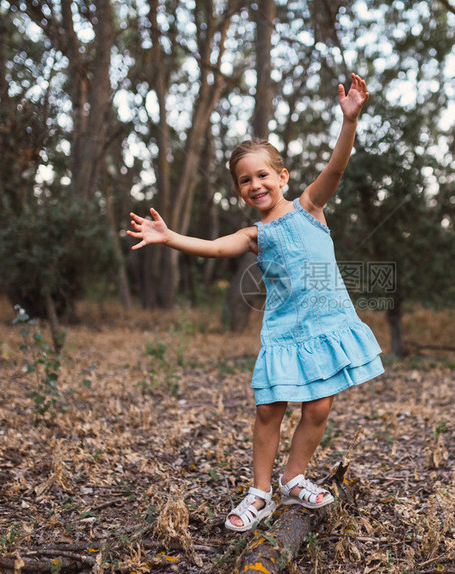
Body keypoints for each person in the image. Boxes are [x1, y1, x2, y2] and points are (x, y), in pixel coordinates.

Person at [127, 73, 383, 532]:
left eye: (263, 174)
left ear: (281, 177)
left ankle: (294, 477)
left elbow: (337, 169)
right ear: (240, 190)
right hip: (285, 331)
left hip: (327, 325)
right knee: (270, 409)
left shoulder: (309, 207)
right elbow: (212, 246)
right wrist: (168, 238)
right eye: (245, 180)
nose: (255, 184)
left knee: (319, 409)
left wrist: (349, 122)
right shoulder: (253, 235)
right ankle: (260, 491)